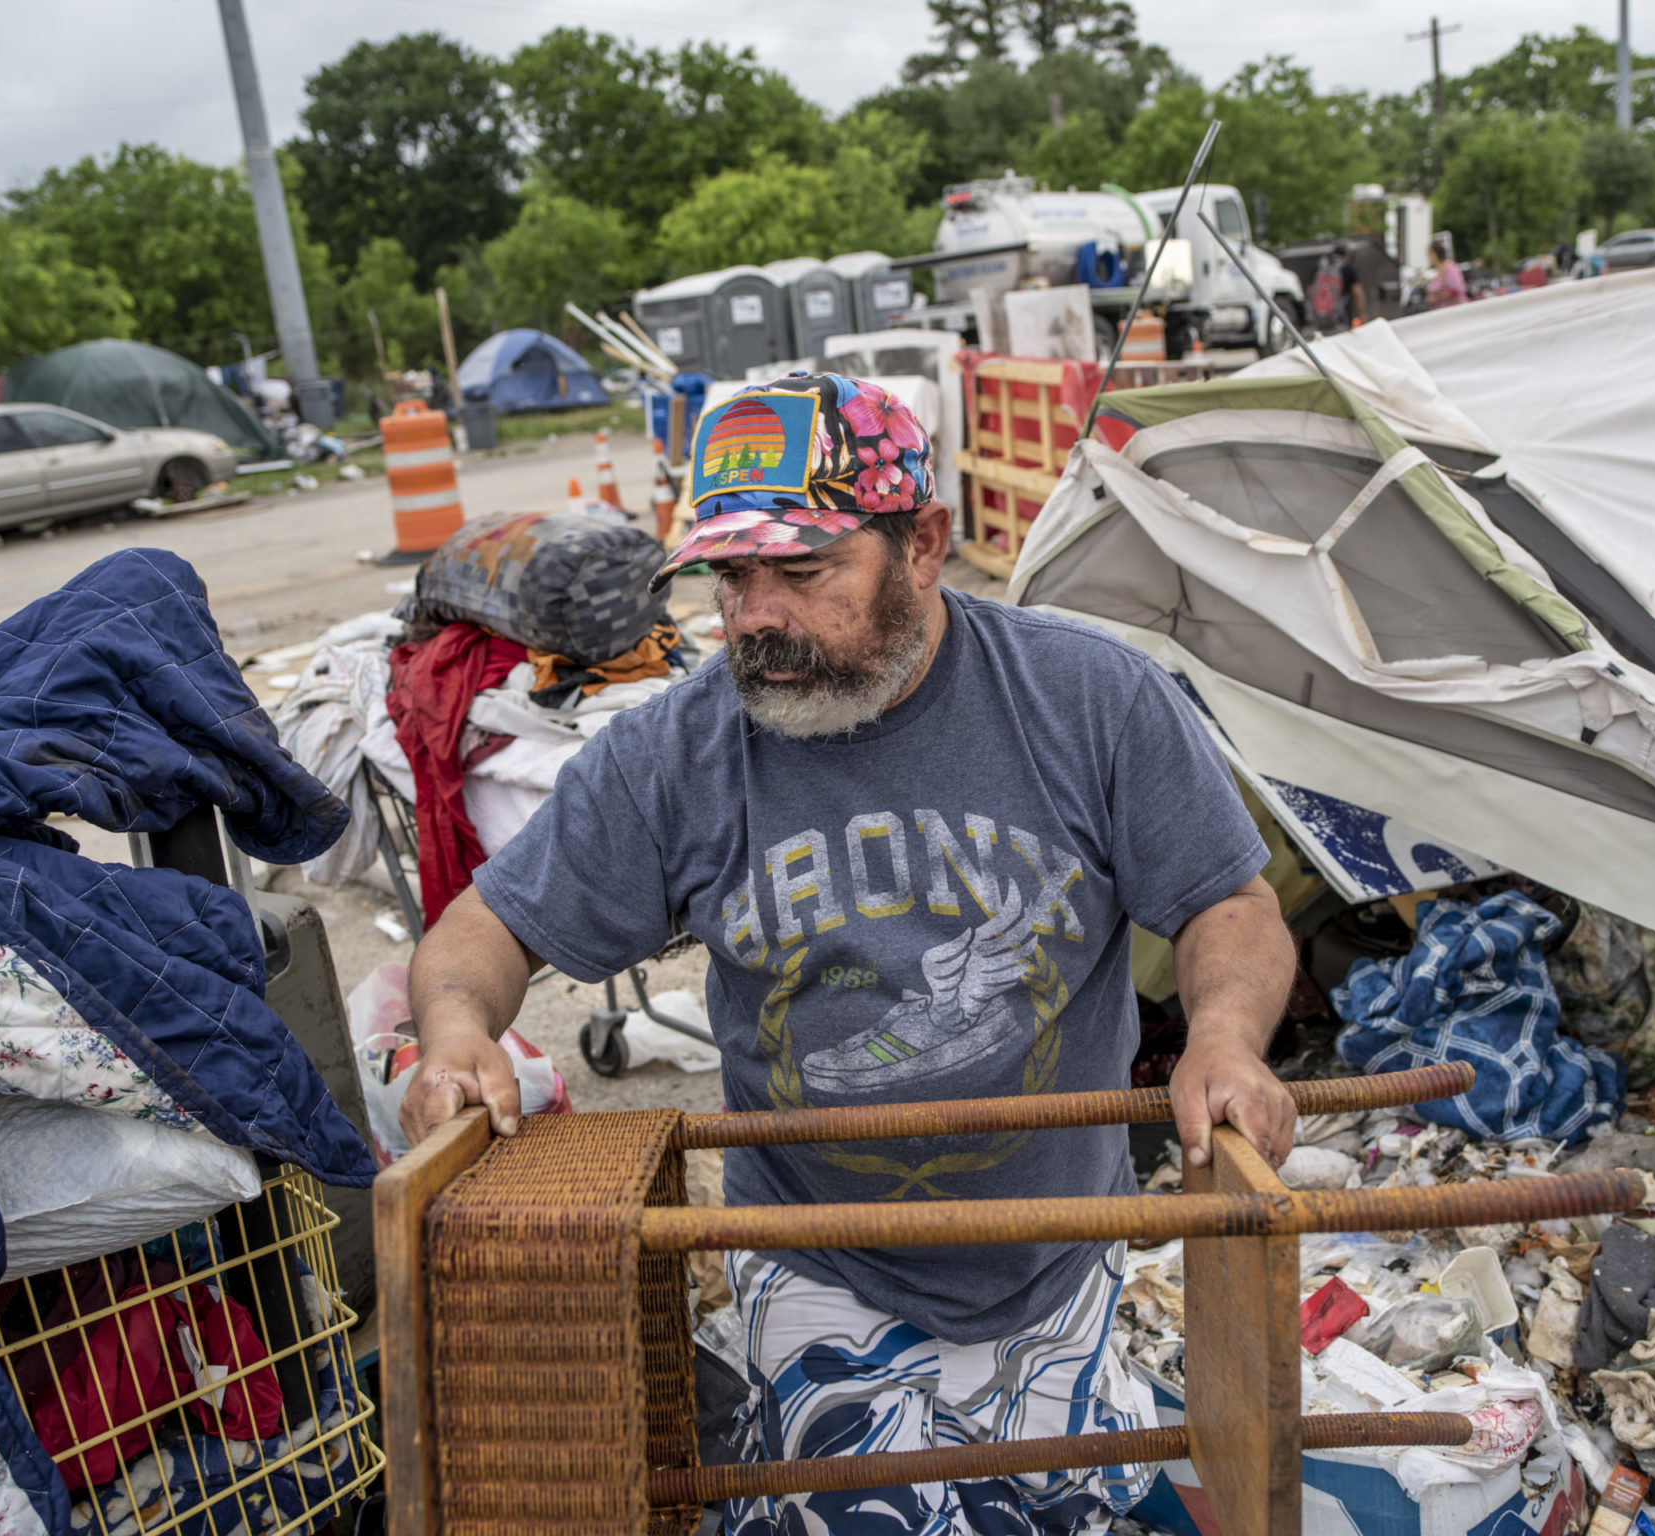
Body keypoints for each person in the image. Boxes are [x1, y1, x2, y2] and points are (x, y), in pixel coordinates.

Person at [399, 372, 1298, 1535]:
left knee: (1063, 1510)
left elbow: (1229, 905)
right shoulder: (677, 751)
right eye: (731, 577)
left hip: (1062, 1255)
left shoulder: (1091, 700)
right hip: (818, 1265)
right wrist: (457, 1033)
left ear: (920, 545)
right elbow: (482, 931)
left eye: (803, 570)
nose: (754, 615)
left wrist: (1223, 1041)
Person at [1427, 240, 1469, 308]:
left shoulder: (1450, 268)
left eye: (1429, 254)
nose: (1429, 258)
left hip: (1454, 310)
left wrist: (1437, 299)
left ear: (1435, 254)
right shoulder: (1439, 269)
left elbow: (1456, 290)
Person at [1338, 238, 1369, 325]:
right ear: (1347, 254)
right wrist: (1363, 314)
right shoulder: (1348, 268)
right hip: (1342, 316)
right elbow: (1357, 292)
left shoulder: (1322, 267)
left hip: (1321, 318)